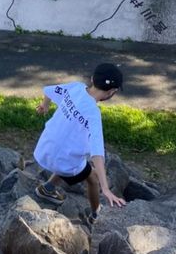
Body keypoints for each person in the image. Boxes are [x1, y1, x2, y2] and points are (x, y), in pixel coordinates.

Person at [34, 63, 127, 224]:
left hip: (44, 148)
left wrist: (44, 105)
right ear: (112, 92)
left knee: (74, 157)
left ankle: (49, 187)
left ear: (92, 79)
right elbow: (97, 153)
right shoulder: (93, 114)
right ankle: (95, 214)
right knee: (92, 177)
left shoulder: (76, 88)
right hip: (63, 161)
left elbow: (49, 90)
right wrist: (105, 188)